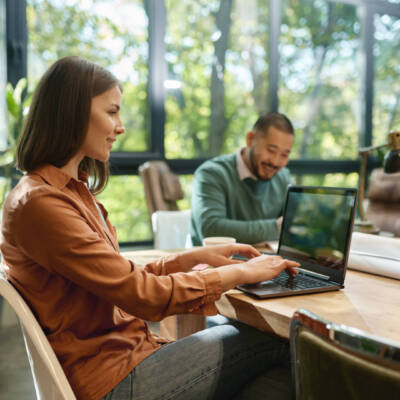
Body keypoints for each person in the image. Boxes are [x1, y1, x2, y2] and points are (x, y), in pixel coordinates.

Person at [0, 56, 299, 400]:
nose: (121, 125)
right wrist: (243, 273)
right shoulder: (41, 204)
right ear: (73, 111)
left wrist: (192, 257)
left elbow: (122, 278)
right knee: (279, 339)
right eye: (111, 112)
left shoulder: (72, 193)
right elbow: (142, 295)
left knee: (268, 379)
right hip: (115, 380)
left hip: (133, 356)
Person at [190, 112, 294, 246]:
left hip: (264, 262)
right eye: (271, 150)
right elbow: (211, 229)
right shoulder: (211, 173)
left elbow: (294, 225)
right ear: (250, 139)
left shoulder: (283, 177)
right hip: (212, 265)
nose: (275, 162)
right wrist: (276, 228)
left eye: (284, 155)